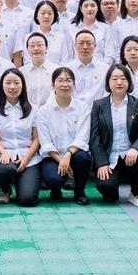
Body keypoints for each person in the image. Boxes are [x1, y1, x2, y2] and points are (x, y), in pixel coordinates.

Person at [90, 64, 138, 206]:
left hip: (131, 156)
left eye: (123, 78)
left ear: (129, 82)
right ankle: (111, 188)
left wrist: (135, 148)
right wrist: (102, 163)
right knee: (107, 190)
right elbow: (95, 137)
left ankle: (136, 192)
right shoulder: (99, 105)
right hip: (110, 157)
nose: (119, 82)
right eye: (114, 78)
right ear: (108, 82)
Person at [35, 67, 92, 205]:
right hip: (52, 156)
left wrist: (67, 155)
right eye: (60, 80)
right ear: (53, 84)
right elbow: (45, 142)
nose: (65, 84)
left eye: (68, 80)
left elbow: (82, 137)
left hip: (75, 154)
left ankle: (79, 192)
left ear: (74, 84)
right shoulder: (43, 111)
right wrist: (61, 160)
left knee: (84, 158)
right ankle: (56, 189)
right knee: (53, 179)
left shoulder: (82, 108)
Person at [0, 68, 41, 206]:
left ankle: (20, 183)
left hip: (28, 156)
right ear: (2, 86)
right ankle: (5, 188)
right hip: (4, 155)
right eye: (8, 83)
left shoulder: (34, 109)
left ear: (23, 85)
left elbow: (36, 139)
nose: (12, 87)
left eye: (16, 83)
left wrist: (25, 159)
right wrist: (3, 152)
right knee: (7, 169)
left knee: (27, 199)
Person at [68, 0, 115, 64]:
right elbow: (69, 54)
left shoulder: (106, 28)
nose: (89, 9)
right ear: (81, 8)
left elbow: (110, 54)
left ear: (98, 8)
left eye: (93, 6)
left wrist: (102, 68)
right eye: (86, 6)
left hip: (100, 67)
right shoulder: (71, 28)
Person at [65, 30, 109, 104]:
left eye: (89, 43)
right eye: (81, 43)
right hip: (74, 109)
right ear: (75, 46)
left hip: (98, 109)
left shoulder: (105, 69)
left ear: (95, 46)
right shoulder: (67, 69)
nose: (85, 47)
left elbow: (107, 93)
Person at [20, 33, 57, 108]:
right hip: (28, 111)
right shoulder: (22, 72)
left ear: (46, 48)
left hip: (50, 111)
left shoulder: (55, 70)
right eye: (32, 46)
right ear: (27, 49)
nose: (36, 48)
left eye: (39, 45)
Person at [26, 0, 69, 64]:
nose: (46, 16)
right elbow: (27, 61)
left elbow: (64, 61)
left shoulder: (61, 38)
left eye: (50, 13)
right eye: (43, 13)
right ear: (37, 16)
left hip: (57, 70)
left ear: (54, 16)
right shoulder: (28, 37)